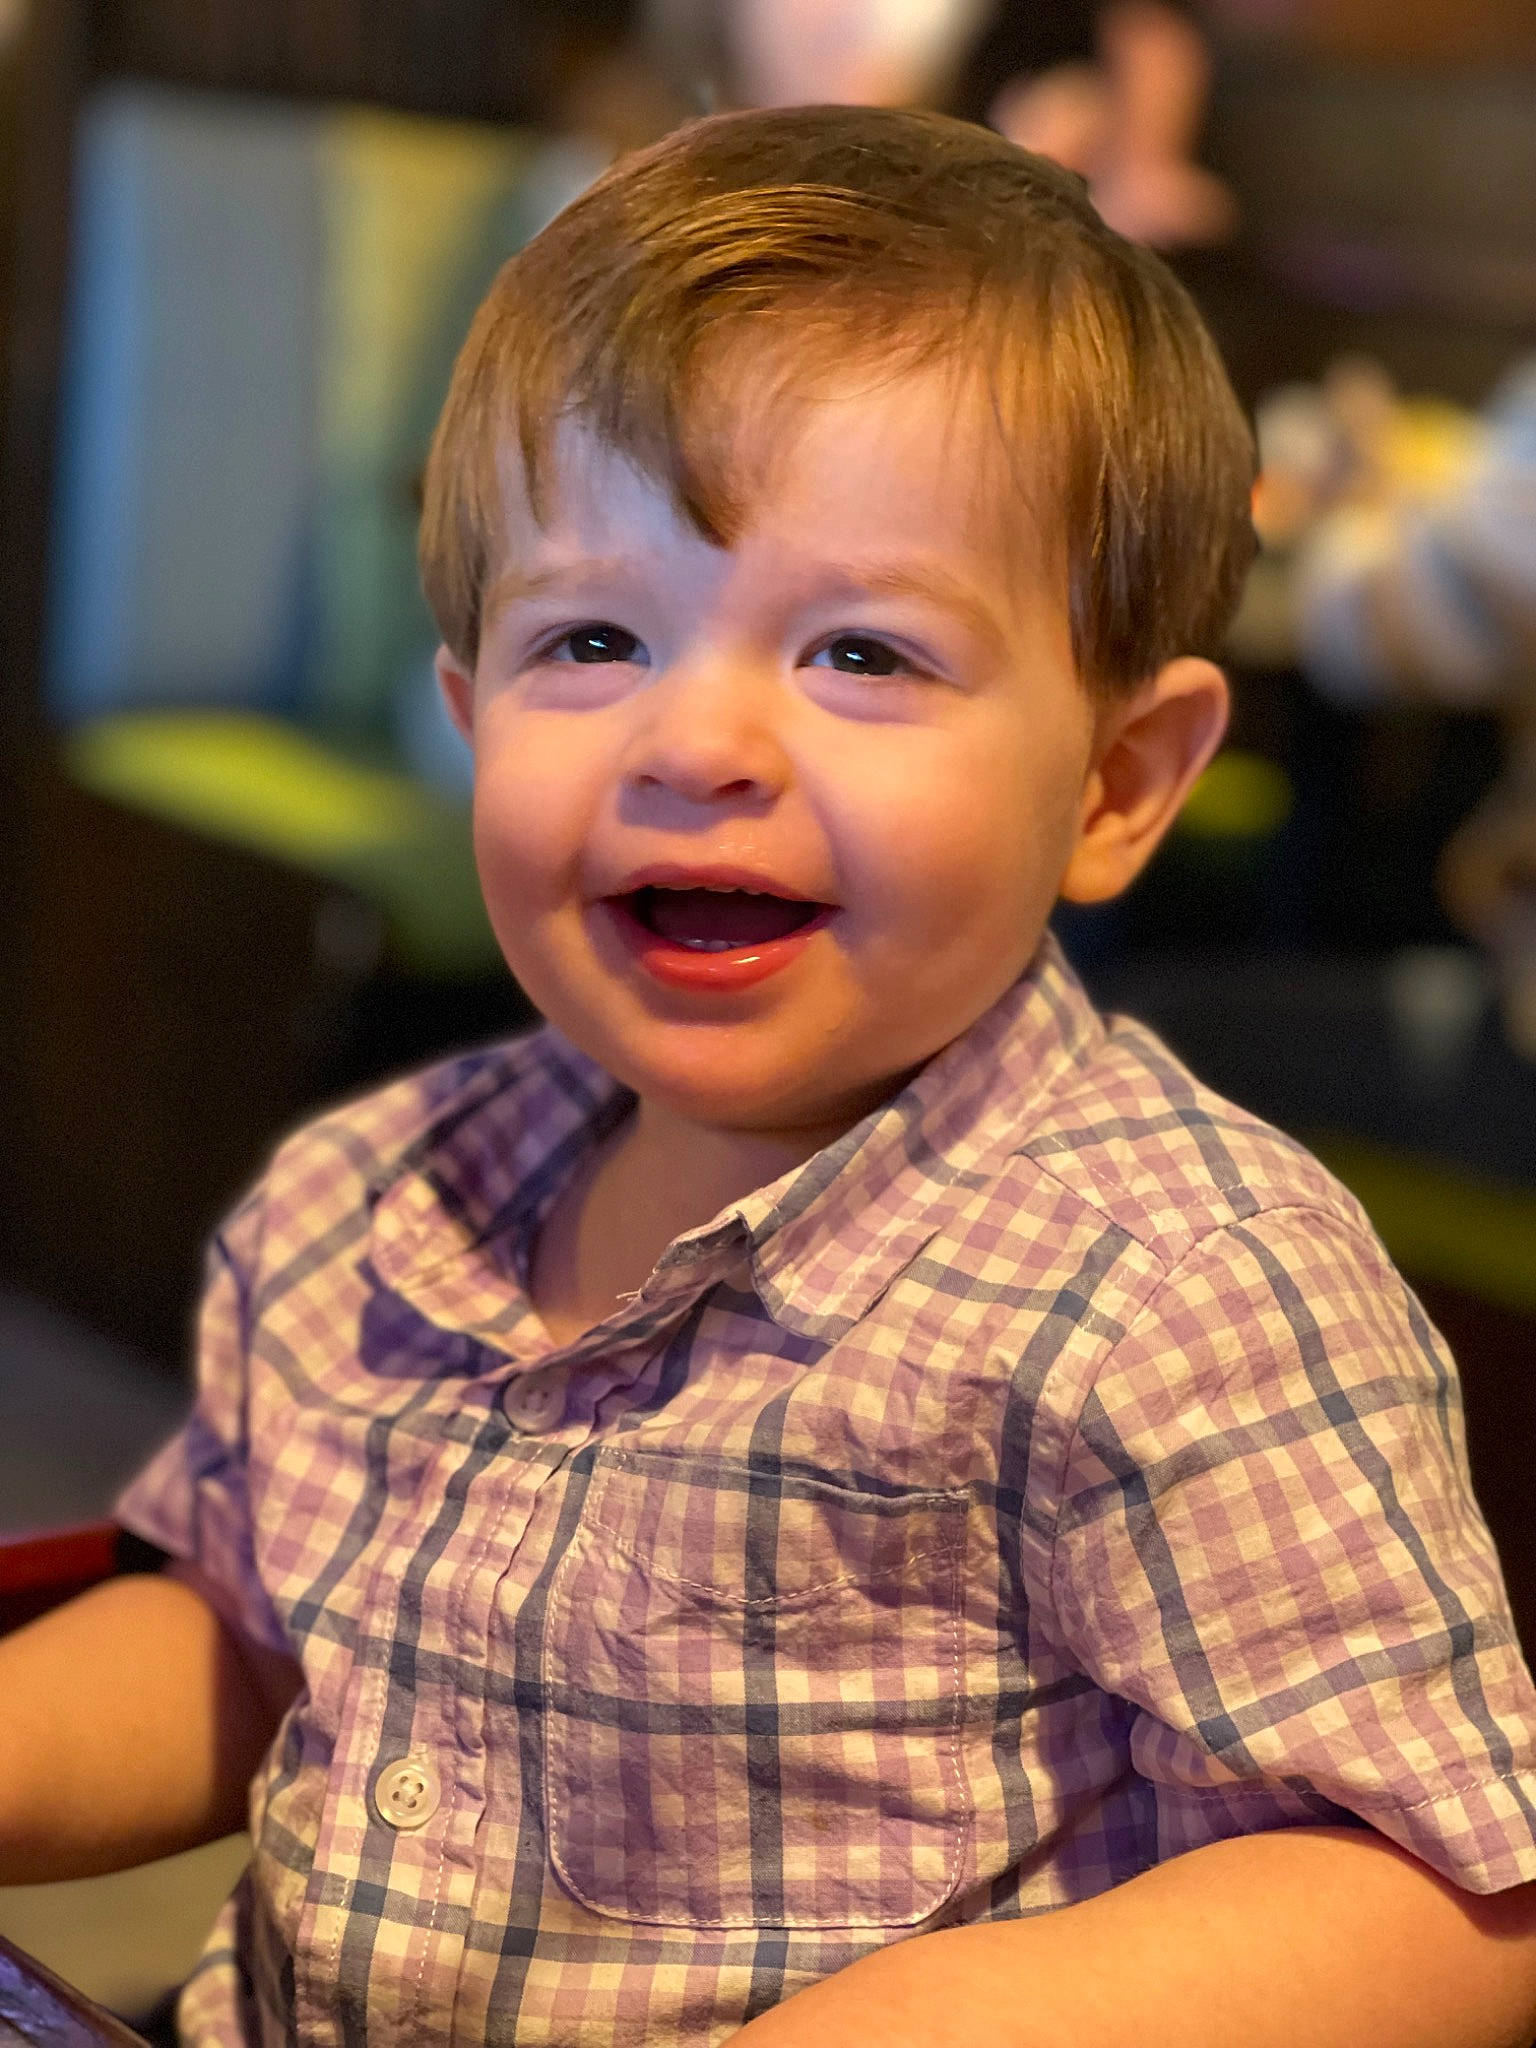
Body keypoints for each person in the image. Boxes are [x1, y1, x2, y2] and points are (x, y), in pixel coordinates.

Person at [4, 104, 1536, 2048]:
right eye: (593, 637)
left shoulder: (1181, 1285)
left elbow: (1443, 1895)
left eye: (866, 654)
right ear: (473, 720)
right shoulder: (378, 1196)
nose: (697, 736)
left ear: (1116, 781)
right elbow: (245, 1633)